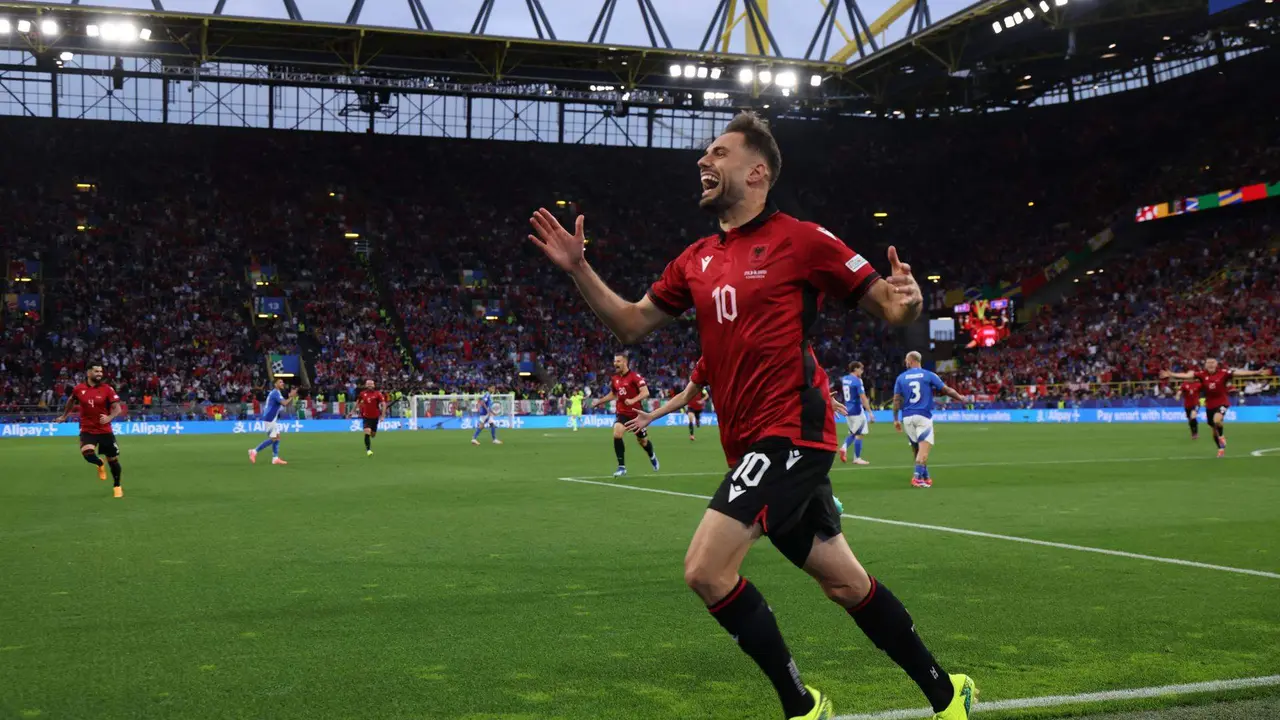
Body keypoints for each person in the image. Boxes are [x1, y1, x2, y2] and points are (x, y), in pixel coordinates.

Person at [529, 111, 975, 720]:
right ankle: (948, 695)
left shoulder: (804, 240)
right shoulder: (695, 259)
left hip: (792, 431)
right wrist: (580, 268)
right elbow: (631, 322)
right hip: (750, 447)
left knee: (705, 570)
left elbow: (889, 310)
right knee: (846, 584)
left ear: (757, 170)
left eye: (718, 152)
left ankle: (802, 707)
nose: (702, 162)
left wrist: (908, 301)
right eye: (704, 154)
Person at [1161, 359, 1271, 457]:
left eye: (1212, 362)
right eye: (1208, 363)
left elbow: (1238, 373)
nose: (1210, 364)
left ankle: (1222, 436)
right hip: (1210, 405)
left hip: (1222, 402)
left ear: (1216, 364)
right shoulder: (1201, 374)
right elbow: (1188, 376)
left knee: (1217, 420)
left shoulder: (1223, 373)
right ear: (1205, 365)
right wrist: (1172, 374)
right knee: (1214, 428)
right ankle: (1220, 448)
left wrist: (1256, 372)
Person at [892, 352, 968, 488]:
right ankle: (916, 478)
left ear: (910, 361)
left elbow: (897, 400)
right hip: (923, 416)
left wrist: (896, 419)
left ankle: (925, 476)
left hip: (907, 417)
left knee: (917, 449)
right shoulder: (929, 375)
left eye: (906, 360)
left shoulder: (901, 378)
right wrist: (960, 397)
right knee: (924, 451)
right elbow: (946, 390)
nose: (905, 363)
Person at [54, 364, 125, 498]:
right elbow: (70, 401)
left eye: (101, 371)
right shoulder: (79, 389)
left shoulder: (107, 389)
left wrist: (109, 417)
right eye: (96, 371)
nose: (99, 374)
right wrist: (64, 416)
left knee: (113, 460)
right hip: (87, 429)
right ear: (88, 373)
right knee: (87, 454)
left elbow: (118, 409)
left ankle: (117, 486)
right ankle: (99, 463)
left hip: (104, 430)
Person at [591, 353, 658, 477]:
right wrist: (599, 402)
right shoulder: (615, 378)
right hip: (622, 413)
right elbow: (613, 394)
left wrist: (633, 401)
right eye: (615, 361)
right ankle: (621, 467)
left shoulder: (635, 377)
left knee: (642, 441)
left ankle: (652, 455)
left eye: (618, 361)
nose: (615, 363)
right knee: (617, 433)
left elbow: (645, 392)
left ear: (625, 363)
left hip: (636, 415)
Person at [249, 378, 297, 465]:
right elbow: (285, 403)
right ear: (275, 384)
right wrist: (291, 397)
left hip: (271, 418)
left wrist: (290, 397)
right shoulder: (275, 393)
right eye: (280, 382)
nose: (282, 383)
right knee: (274, 438)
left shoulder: (276, 393)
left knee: (277, 437)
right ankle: (254, 451)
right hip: (269, 418)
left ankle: (275, 458)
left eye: (282, 382)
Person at [837, 361, 874, 465]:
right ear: (856, 369)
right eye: (861, 369)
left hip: (847, 410)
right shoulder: (857, 381)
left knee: (853, 432)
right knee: (859, 434)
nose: (862, 371)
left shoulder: (845, 379)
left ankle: (846, 450)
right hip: (857, 410)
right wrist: (870, 412)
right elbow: (863, 397)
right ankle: (854, 456)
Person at [357, 379, 388, 456]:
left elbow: (384, 404)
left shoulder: (378, 394)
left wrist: (383, 416)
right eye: (368, 384)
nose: (370, 385)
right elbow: (357, 402)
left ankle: (370, 435)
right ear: (365, 385)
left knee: (373, 435)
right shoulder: (362, 394)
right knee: (367, 432)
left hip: (375, 417)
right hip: (366, 417)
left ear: (374, 385)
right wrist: (352, 411)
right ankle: (368, 450)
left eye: (371, 384)